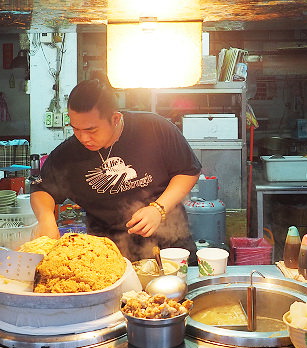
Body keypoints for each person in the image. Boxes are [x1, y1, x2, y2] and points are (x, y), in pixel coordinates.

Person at [30, 78, 201, 262]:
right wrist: (46, 218)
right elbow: (42, 189)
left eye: (91, 130)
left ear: (115, 118)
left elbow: (188, 170)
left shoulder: (154, 128)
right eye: (76, 129)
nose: (83, 138)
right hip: (108, 254)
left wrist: (158, 209)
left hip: (170, 245)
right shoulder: (68, 154)